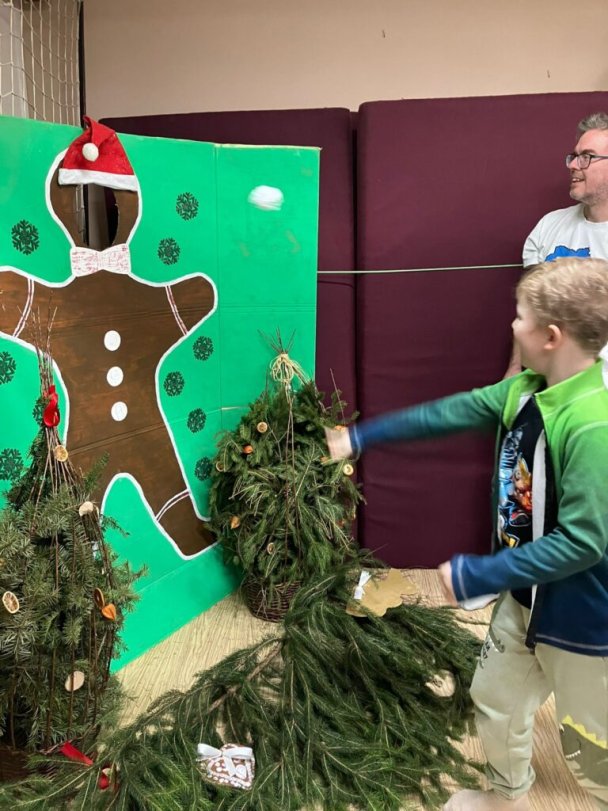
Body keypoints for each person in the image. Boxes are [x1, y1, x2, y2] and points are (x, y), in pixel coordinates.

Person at [325, 257, 608, 811]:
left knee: (591, 744)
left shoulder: (592, 425)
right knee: (496, 698)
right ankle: (506, 794)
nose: (512, 326)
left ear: (552, 337)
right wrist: (360, 437)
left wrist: (481, 573)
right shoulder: (523, 391)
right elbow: (448, 413)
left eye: (520, 317)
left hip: (582, 620)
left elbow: (584, 543)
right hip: (523, 601)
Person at [504, 111, 608, 377]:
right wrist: (515, 372)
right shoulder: (549, 226)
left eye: (587, 157)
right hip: (549, 389)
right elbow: (532, 310)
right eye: (574, 156)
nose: (573, 165)